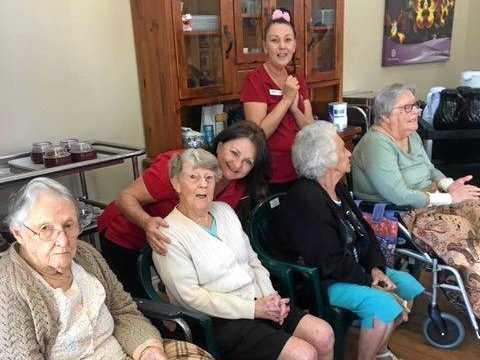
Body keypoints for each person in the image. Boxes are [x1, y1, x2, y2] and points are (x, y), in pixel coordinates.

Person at [0, 177, 212, 360]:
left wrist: (149, 350)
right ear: (18, 233)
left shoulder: (86, 255)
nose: (63, 241)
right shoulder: (8, 286)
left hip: (123, 351)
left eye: (68, 225)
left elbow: (123, 311)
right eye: (46, 229)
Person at [153, 148, 335, 360]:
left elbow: (252, 259)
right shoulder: (168, 234)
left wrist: (269, 295)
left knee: (323, 335)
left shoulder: (225, 211)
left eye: (209, 178)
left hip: (259, 298)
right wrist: (254, 309)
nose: (203, 184)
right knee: (303, 355)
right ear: (176, 183)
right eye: (193, 177)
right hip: (219, 320)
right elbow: (191, 298)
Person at [272, 121, 424, 360]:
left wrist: (375, 268)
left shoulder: (337, 188)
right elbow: (328, 261)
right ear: (326, 160)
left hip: (353, 269)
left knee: (406, 285)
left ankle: (380, 350)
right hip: (321, 281)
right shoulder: (306, 199)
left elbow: (365, 231)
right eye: (343, 149)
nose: (349, 152)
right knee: (384, 305)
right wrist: (369, 281)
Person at [351, 83, 480, 318]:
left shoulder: (412, 135)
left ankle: (469, 291)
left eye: (416, 105)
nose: (417, 112)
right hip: (403, 214)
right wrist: (449, 197)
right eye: (409, 107)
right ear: (387, 115)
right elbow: (399, 195)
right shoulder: (375, 145)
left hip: (433, 201)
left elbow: (430, 170)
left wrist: (449, 184)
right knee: (463, 238)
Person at [98, 121, 270, 296]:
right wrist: (146, 223)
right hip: (125, 233)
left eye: (247, 162)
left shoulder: (237, 186)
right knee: (135, 302)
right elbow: (125, 197)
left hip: (171, 242)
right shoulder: (179, 167)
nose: (237, 165)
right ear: (219, 146)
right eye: (234, 153)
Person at [241, 8, 314, 194]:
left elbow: (310, 129)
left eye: (288, 40)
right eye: (275, 40)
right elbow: (257, 135)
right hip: (272, 176)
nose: (282, 46)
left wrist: (295, 108)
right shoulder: (255, 81)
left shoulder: (297, 80)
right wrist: (287, 99)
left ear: (294, 45)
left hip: (301, 169)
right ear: (265, 46)